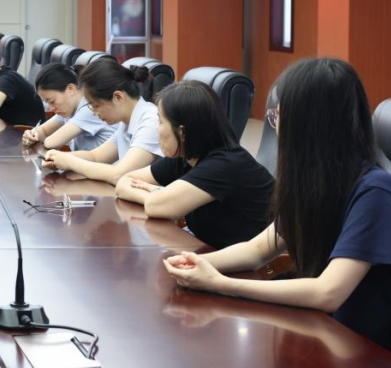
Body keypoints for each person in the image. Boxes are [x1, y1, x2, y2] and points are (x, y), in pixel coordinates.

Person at [163, 58, 391, 363]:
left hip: (378, 358)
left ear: (310, 124)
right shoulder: (314, 184)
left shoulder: (374, 192)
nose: (276, 127)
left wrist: (221, 285)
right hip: (326, 332)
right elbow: (257, 250)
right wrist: (193, 263)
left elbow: (328, 292)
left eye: (279, 117)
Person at [113, 81, 275, 249]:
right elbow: (124, 182)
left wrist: (156, 193)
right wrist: (156, 194)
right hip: (209, 250)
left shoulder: (224, 165)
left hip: (255, 263)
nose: (156, 129)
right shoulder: (186, 158)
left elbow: (157, 206)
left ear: (182, 132)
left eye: (160, 122)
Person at [41, 59, 162, 184]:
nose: (94, 112)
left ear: (118, 97)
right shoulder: (127, 120)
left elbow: (119, 174)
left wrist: (70, 162)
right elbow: (96, 156)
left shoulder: (151, 122)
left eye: (95, 105)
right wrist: (59, 158)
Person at [22, 63, 117, 152]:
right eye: (47, 103)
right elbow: (43, 131)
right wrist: (31, 135)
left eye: (52, 101)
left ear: (70, 89)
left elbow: (51, 143)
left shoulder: (91, 109)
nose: (51, 108)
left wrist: (36, 137)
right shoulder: (69, 108)